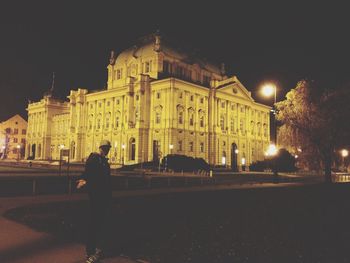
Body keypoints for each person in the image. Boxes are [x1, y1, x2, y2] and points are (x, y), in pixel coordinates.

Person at [76, 140, 113, 263]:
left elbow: (106, 179)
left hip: (103, 196)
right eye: (105, 148)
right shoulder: (95, 159)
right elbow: (89, 172)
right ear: (101, 148)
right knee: (94, 223)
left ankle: (96, 249)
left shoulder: (104, 162)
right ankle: (90, 252)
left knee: (100, 223)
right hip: (96, 195)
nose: (107, 150)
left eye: (108, 148)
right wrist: (83, 179)